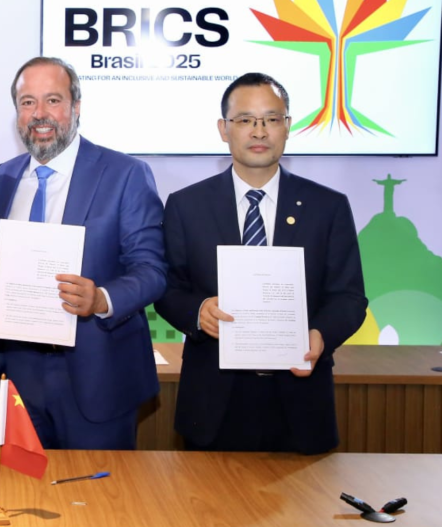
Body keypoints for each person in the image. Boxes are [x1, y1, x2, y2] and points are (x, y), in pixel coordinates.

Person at [154, 72, 367, 454]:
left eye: (271, 119)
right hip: (213, 402)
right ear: (224, 129)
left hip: (301, 397)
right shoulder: (186, 205)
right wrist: (198, 312)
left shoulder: (328, 206)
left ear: (288, 126)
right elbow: (167, 288)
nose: (259, 131)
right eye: (245, 120)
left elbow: (349, 297)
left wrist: (320, 334)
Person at [0, 57, 168, 450]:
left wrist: (101, 298)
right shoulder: (2, 178)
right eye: (28, 102)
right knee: (18, 485)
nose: (40, 113)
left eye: (53, 100)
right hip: (18, 374)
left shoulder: (125, 174)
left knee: (98, 489)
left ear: (76, 106)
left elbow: (152, 270)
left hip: (97, 374)